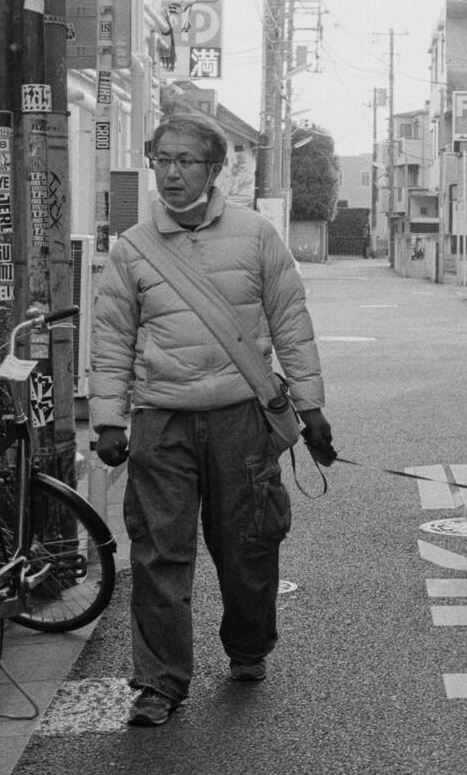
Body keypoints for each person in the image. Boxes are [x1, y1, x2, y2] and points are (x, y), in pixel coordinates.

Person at [86, 114, 336, 728]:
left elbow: (291, 325)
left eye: (186, 161)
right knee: (158, 554)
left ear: (214, 169)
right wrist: (109, 418)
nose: (171, 173)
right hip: (161, 420)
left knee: (248, 544)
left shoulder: (256, 236)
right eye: (162, 160)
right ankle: (159, 681)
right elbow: (112, 338)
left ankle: (249, 646)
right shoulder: (133, 248)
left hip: (240, 417)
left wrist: (310, 407)